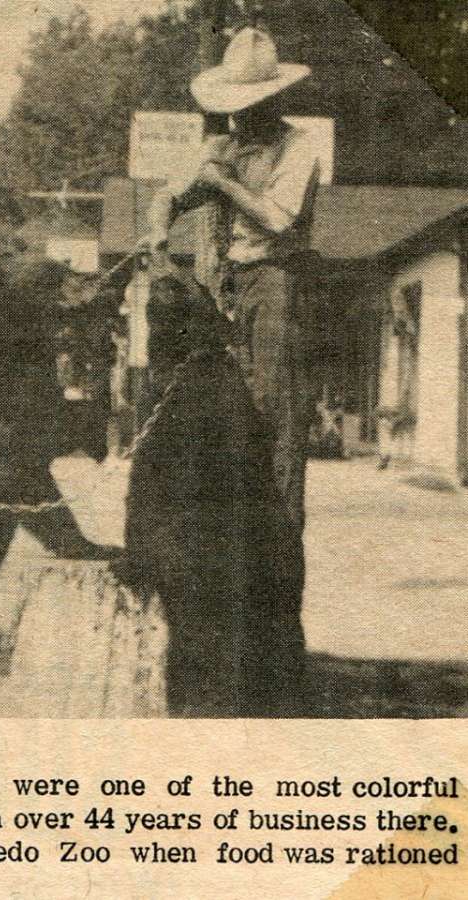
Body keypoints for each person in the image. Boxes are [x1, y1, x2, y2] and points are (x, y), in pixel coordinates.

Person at [145, 26, 321, 713]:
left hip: (276, 288)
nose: (239, 119)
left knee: (273, 435)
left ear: (273, 101)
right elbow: (173, 193)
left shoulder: (298, 147)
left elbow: (277, 219)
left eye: (249, 107)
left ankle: (278, 611)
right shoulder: (221, 146)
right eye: (232, 109)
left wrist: (219, 183)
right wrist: (160, 223)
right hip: (227, 289)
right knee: (218, 433)